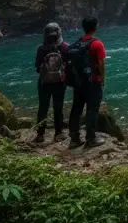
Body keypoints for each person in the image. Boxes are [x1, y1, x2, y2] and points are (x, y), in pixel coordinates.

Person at [68, 16, 106, 148]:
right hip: (93, 82)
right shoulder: (97, 44)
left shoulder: (77, 43)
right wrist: (102, 78)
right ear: (95, 27)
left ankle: (74, 138)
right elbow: (101, 64)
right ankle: (91, 138)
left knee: (76, 109)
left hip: (79, 81)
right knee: (92, 109)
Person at [34, 23, 68, 142]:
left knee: (43, 107)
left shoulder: (41, 48)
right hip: (60, 83)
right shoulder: (64, 46)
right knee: (58, 107)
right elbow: (68, 65)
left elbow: (37, 68)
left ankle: (40, 135)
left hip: (44, 82)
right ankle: (58, 133)